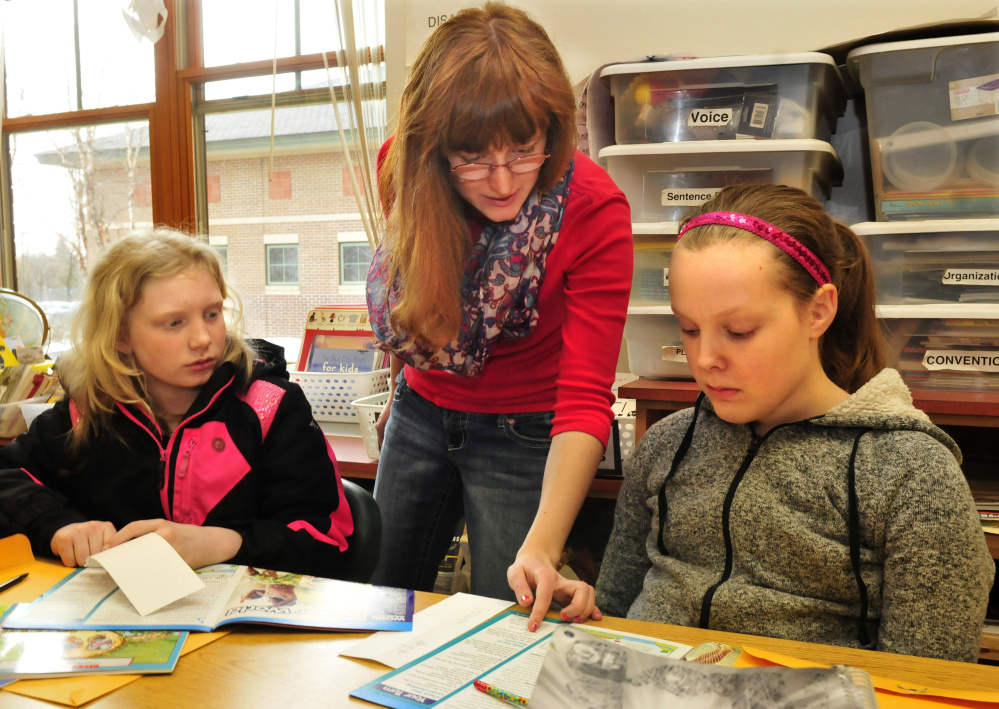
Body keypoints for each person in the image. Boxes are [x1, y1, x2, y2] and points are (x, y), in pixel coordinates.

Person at [595, 184, 995, 662]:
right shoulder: (666, 444)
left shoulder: (910, 475)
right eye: (689, 328)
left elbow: (926, 682)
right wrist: (584, 616)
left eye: (739, 332)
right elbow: (613, 616)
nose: (704, 359)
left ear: (818, 311)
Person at [366, 2, 632, 629]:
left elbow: (586, 397)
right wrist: (400, 385)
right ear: (432, 148)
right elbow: (416, 286)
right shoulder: (399, 168)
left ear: (553, 129)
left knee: (505, 623)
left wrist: (542, 547)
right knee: (375, 602)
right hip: (421, 413)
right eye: (471, 156)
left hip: (529, 434)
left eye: (523, 149)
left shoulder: (595, 210)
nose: (501, 179)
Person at [0, 229, 354, 577]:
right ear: (121, 335)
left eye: (212, 314)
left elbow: (327, 543)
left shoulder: (272, 410)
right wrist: (57, 526)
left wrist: (221, 544)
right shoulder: (88, 412)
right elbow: (8, 478)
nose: (203, 338)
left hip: (248, 625)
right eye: (174, 323)